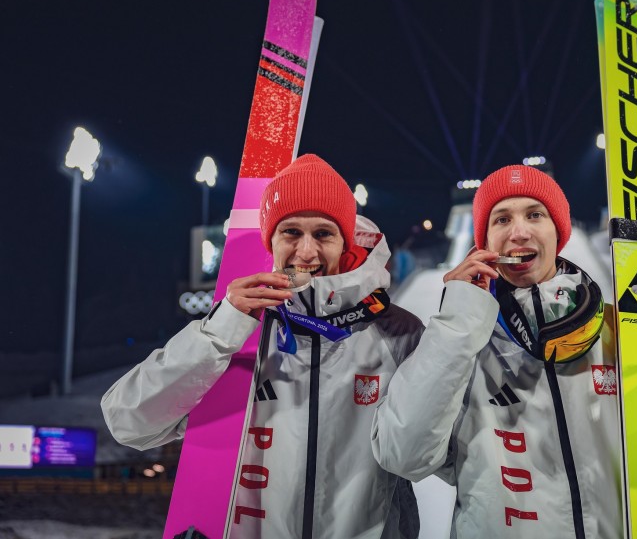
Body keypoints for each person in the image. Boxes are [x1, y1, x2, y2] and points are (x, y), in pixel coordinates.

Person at [371, 164, 637, 538]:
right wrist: (455, 326)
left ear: (558, 232)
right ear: (482, 242)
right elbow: (405, 456)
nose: (519, 231)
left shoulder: (623, 334)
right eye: (501, 219)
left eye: (535, 214)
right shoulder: (460, 343)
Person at [102, 154, 424, 539]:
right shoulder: (236, 329)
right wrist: (221, 329)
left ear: (344, 243)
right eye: (291, 232)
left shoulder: (397, 330)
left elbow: (426, 453)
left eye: (323, 234)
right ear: (270, 240)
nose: (306, 252)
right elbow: (129, 422)